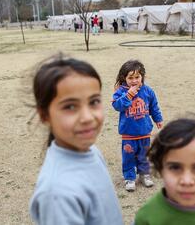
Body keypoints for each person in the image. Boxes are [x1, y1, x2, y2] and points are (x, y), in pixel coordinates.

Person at [29, 54, 124, 225]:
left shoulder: (92, 151)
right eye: (70, 106)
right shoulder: (57, 193)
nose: (87, 117)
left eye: (94, 101)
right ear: (44, 115)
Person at [112, 60, 163, 192]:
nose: (134, 81)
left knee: (144, 154)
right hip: (128, 133)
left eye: (137, 77)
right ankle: (129, 177)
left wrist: (158, 119)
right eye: (130, 78)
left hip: (144, 130)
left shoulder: (147, 91)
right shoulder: (120, 92)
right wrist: (129, 95)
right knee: (128, 156)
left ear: (142, 77)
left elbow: (154, 106)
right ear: (124, 78)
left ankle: (144, 174)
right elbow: (117, 106)